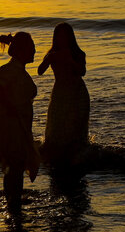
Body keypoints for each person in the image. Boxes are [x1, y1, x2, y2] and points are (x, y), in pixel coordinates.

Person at [0, 32, 41, 209]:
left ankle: (13, 199)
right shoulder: (10, 69)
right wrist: (10, 106)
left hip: (17, 124)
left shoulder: (17, 70)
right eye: (31, 47)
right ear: (21, 50)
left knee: (16, 164)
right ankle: (13, 202)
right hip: (8, 124)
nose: (35, 51)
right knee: (16, 164)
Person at [38, 22, 90, 167]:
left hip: (77, 92)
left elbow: (82, 72)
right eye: (59, 36)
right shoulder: (52, 54)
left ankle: (76, 158)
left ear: (70, 37)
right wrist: (48, 59)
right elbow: (40, 71)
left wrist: (70, 61)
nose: (62, 39)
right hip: (60, 93)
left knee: (76, 126)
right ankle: (56, 158)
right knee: (58, 125)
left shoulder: (78, 53)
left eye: (65, 36)